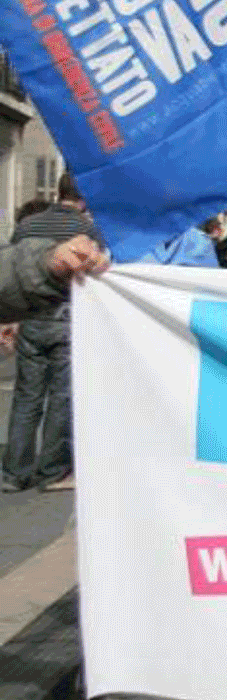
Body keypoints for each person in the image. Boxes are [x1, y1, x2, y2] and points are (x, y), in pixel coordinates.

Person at [4, 174, 102, 493]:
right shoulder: (87, 231)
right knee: (61, 396)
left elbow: (15, 267)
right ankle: (52, 470)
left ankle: (14, 472)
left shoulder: (28, 225)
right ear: (83, 198)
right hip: (68, 319)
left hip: (31, 318)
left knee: (26, 396)